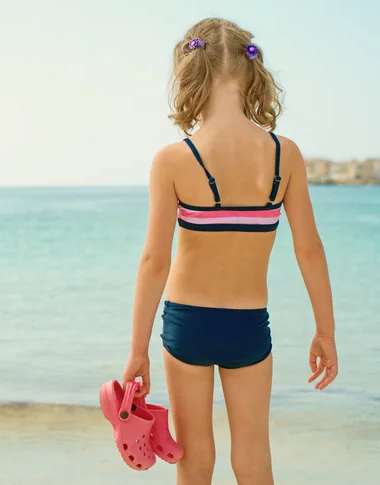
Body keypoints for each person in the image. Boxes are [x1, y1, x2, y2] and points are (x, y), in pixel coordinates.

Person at [121, 18, 338, 485]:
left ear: (190, 75)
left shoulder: (173, 160)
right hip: (248, 325)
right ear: (252, 73)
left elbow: (153, 262)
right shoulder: (285, 155)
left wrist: (137, 350)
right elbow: (311, 250)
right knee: (255, 460)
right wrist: (326, 330)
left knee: (194, 461)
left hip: (187, 325)